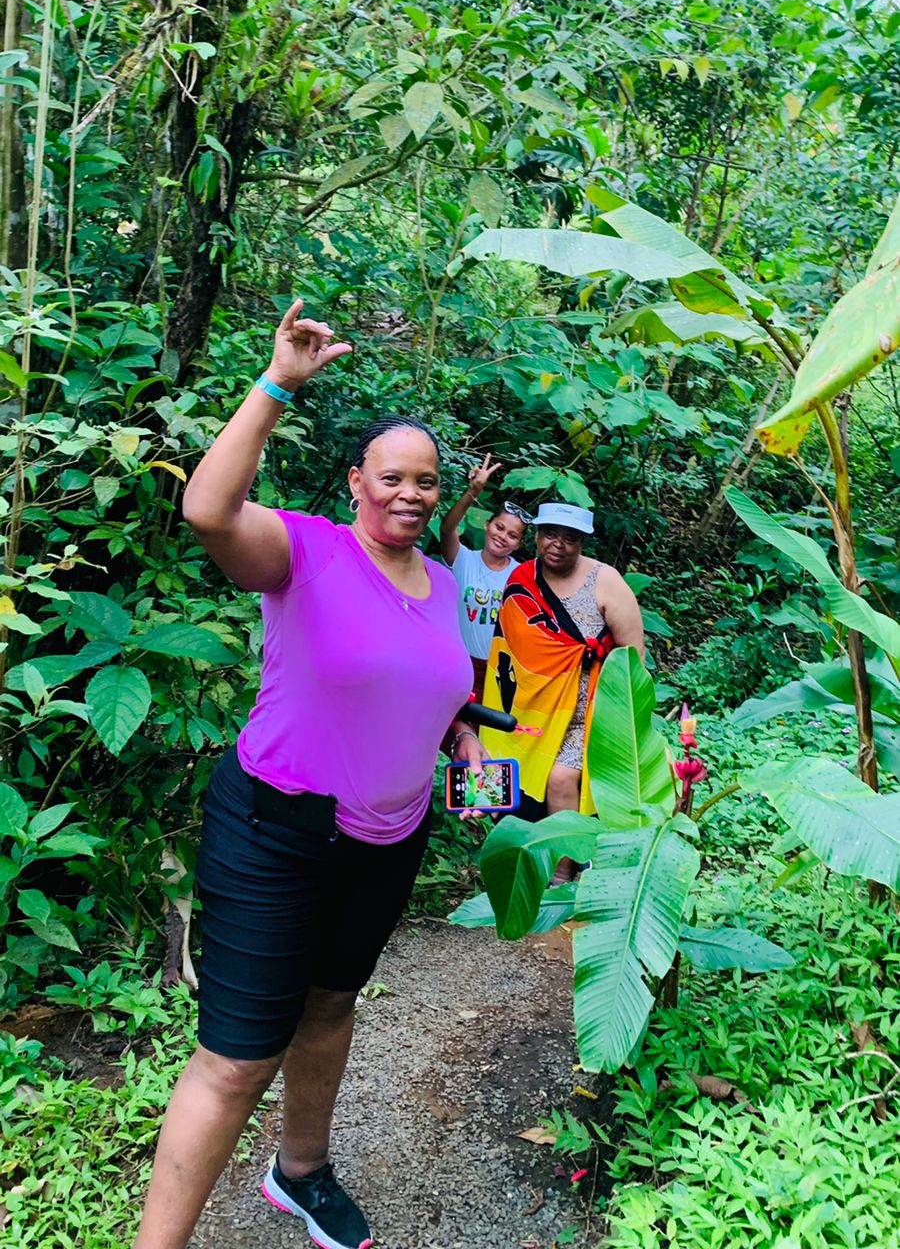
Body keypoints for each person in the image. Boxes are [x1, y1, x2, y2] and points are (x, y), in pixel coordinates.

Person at [133, 300, 488, 1249]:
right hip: (274, 833)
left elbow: (428, 684)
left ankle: (301, 1174)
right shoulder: (308, 550)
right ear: (357, 483)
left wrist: (462, 740)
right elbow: (206, 509)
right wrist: (277, 385)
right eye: (393, 478)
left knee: (331, 1008)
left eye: (427, 481)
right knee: (236, 1059)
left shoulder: (446, 585)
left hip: (388, 837)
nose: (412, 494)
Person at [482, 501, 644, 877]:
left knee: (559, 779)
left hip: (587, 713)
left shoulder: (606, 581)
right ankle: (519, 862)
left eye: (569, 538)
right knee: (516, 775)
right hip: (530, 707)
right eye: (550, 534)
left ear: (582, 542)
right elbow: (507, 647)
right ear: (537, 536)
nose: (558, 544)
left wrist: (621, 710)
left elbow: (633, 654)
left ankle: (564, 870)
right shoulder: (522, 578)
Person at [439, 453, 530, 699]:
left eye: (512, 535)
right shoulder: (463, 560)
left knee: (483, 734)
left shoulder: (521, 575)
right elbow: (447, 529)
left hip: (498, 671)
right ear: (487, 524)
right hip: (456, 664)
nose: (503, 536)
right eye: (499, 527)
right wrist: (473, 492)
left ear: (519, 544)